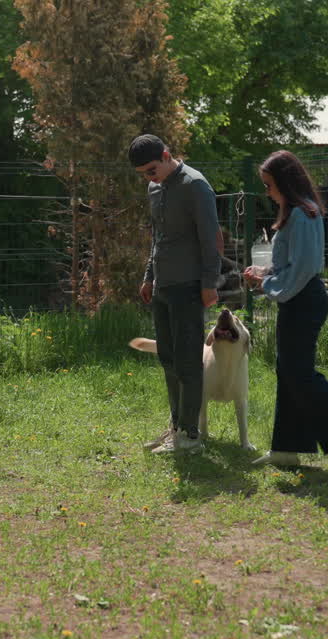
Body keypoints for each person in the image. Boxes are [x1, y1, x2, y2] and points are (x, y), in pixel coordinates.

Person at [241, 150, 328, 473]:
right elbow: (289, 264)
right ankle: (287, 448)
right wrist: (263, 274)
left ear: (286, 183)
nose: (268, 192)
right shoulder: (298, 212)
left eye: (269, 185)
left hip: (304, 298)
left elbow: (301, 270)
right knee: (287, 370)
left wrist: (266, 286)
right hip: (298, 298)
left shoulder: (303, 215)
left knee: (300, 373)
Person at [129, 134, 222, 454]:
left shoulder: (195, 185)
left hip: (189, 286)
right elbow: (158, 237)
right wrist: (148, 276)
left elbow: (211, 237)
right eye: (143, 174)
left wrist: (210, 282)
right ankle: (176, 427)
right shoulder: (154, 188)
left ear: (167, 155)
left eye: (152, 170)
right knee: (168, 358)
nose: (148, 178)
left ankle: (191, 435)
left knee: (187, 361)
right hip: (163, 287)